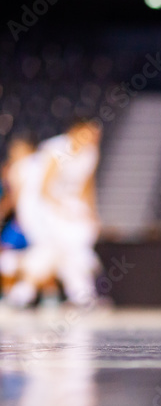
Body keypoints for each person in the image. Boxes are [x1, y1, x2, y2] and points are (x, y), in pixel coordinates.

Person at [8, 120, 102, 308]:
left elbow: (87, 187)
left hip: (65, 205)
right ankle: (80, 293)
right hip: (39, 205)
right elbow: (43, 188)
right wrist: (62, 209)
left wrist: (90, 212)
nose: (93, 138)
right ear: (75, 131)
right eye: (88, 133)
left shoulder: (90, 153)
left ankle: (24, 293)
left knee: (64, 249)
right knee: (55, 245)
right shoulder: (56, 149)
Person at [0, 136, 34, 299]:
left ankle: (48, 297)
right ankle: (9, 295)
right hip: (20, 223)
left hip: (33, 224)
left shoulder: (35, 168)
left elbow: (14, 199)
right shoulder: (11, 170)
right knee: (7, 259)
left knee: (39, 260)